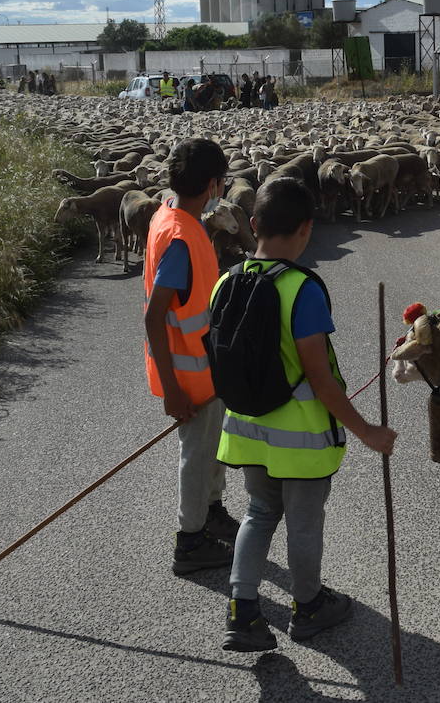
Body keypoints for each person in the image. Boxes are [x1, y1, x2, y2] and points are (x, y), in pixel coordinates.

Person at [219, 177, 397, 653]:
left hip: (246, 431)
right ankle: (309, 606)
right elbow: (320, 379)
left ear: (253, 224)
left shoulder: (225, 281)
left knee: (257, 513)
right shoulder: (301, 290)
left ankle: (242, 611)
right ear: (306, 229)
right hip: (299, 442)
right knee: (302, 524)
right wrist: (367, 432)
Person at [143, 138, 241, 574]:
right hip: (190, 378)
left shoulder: (173, 215)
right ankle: (190, 540)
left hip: (208, 368)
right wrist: (172, 391)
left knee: (213, 449)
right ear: (214, 184)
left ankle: (212, 510)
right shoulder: (181, 237)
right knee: (198, 455)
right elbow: (154, 316)